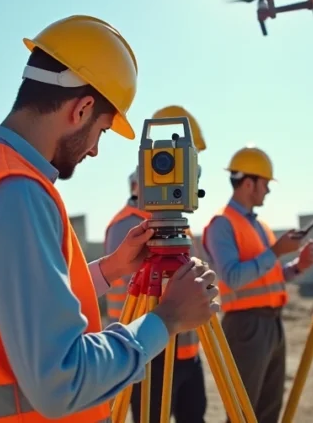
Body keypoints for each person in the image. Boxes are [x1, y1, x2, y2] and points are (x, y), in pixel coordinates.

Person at [0, 15, 221, 422]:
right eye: (101, 131)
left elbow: (9, 301)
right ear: (81, 109)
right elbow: (62, 381)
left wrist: (113, 268)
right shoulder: (16, 192)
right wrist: (168, 319)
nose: (95, 151)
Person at [103, 105, 209, 423]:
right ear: (140, 180)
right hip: (149, 344)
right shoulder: (127, 227)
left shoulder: (180, 229)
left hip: (187, 346)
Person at [201, 145, 313, 423]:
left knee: (268, 411)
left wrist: (296, 267)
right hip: (246, 327)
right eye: (265, 184)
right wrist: (277, 251)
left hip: (272, 324)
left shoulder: (259, 225)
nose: (267, 190)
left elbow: (268, 275)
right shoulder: (222, 224)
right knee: (243, 413)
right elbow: (233, 277)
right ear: (249, 182)